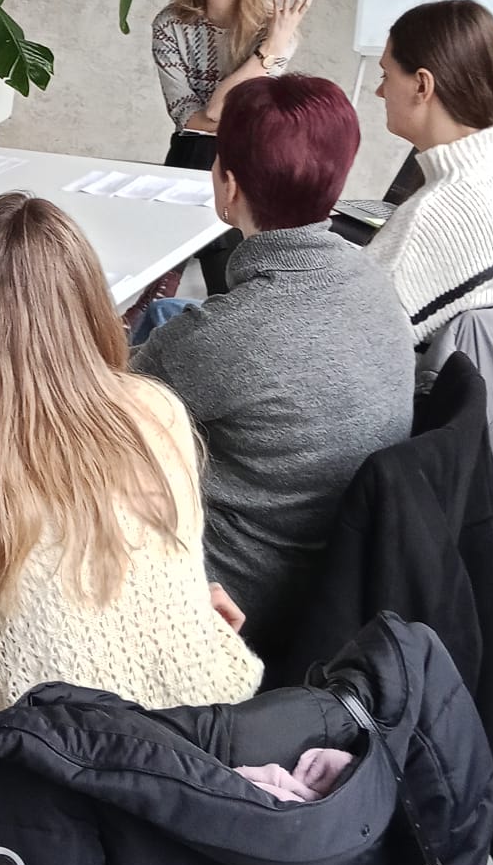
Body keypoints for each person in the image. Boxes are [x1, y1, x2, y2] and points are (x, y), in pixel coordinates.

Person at [0, 193, 261, 715]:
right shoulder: (156, 407)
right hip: (207, 721)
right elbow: (176, 546)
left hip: (51, 744)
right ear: (88, 301)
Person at [130, 76, 414, 659]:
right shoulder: (374, 280)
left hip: (236, 591)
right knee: (165, 316)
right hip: (338, 573)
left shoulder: (226, 334)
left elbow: (96, 411)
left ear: (229, 186)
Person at [369, 0, 493, 345]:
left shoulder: (428, 221)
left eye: (385, 75)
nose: (379, 91)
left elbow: (340, 344)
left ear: (422, 86)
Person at [151, 0, 314, 169]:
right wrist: (269, 51)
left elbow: (217, 111)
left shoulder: (275, 28)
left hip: (250, 155)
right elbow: (185, 115)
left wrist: (271, 45)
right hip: (192, 151)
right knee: (198, 148)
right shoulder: (170, 24)